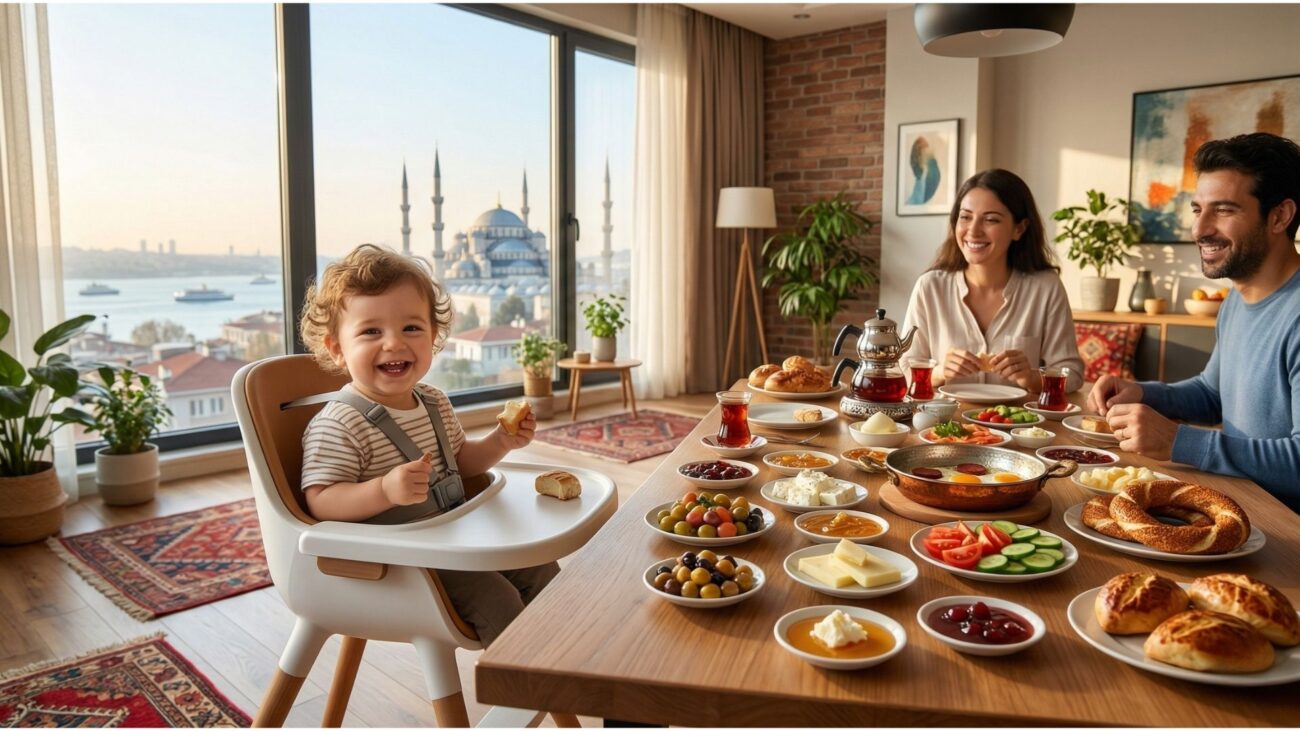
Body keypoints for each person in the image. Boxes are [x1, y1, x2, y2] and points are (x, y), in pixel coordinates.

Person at [297, 244, 555, 645]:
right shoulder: (339, 422)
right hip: (399, 563)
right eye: (371, 332)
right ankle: (526, 681)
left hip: (450, 540)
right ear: (337, 349)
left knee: (540, 567)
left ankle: (566, 657)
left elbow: (462, 463)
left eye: (411, 328)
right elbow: (320, 501)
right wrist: (384, 490)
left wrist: (501, 442)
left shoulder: (433, 401)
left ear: (433, 337)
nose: (394, 343)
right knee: (495, 598)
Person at [1089, 133, 1300, 513]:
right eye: (1197, 209)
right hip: (1239, 506)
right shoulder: (1237, 298)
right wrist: (1141, 393)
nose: (1200, 230)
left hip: (1285, 533)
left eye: (1223, 210)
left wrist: (1177, 441)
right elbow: (1212, 394)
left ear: (1280, 216)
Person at [903, 169, 1084, 393]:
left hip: (1018, 425)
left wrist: (1032, 378)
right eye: (965, 217)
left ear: (1019, 228)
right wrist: (940, 372)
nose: (973, 231)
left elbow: (1072, 373)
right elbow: (901, 372)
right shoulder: (929, 287)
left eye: (990, 219)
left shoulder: (1046, 288)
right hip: (944, 425)